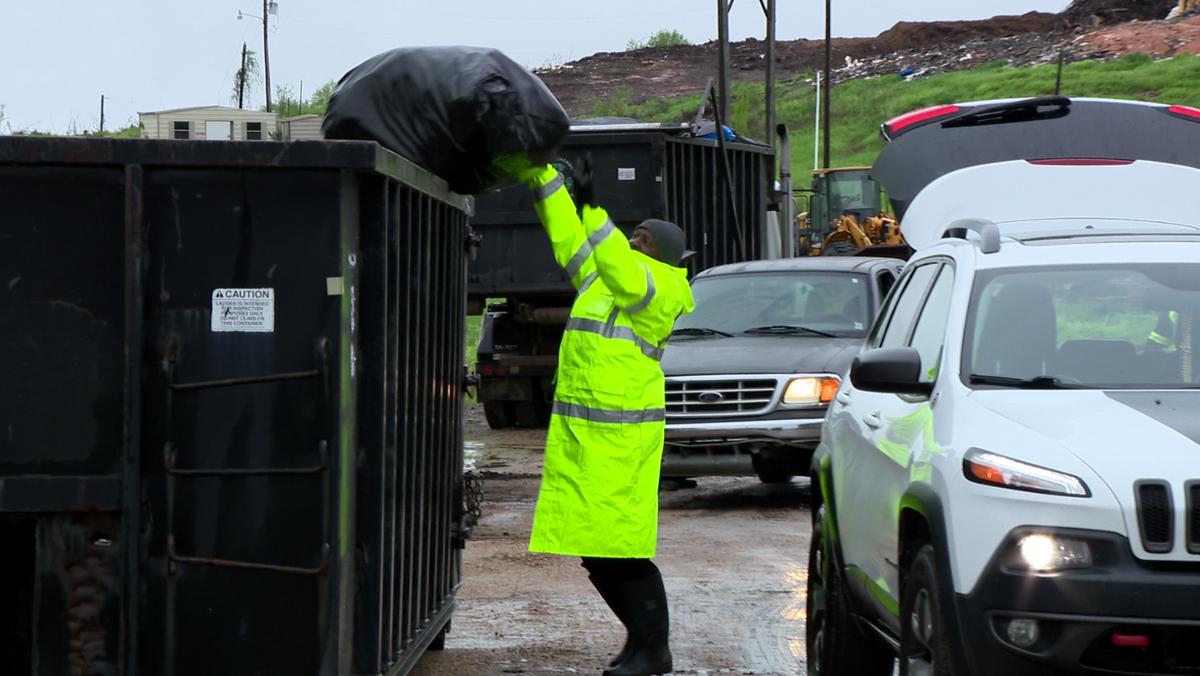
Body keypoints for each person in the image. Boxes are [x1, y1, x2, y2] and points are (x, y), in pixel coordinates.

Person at [499, 152, 695, 676]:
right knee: (596, 551)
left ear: (668, 256)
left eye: (645, 239)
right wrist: (545, 178)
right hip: (588, 443)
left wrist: (592, 205)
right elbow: (570, 238)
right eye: (634, 236)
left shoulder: (660, 290)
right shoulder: (605, 282)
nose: (634, 241)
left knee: (620, 552)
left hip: (620, 445)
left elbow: (616, 261)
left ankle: (654, 650)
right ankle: (641, 644)